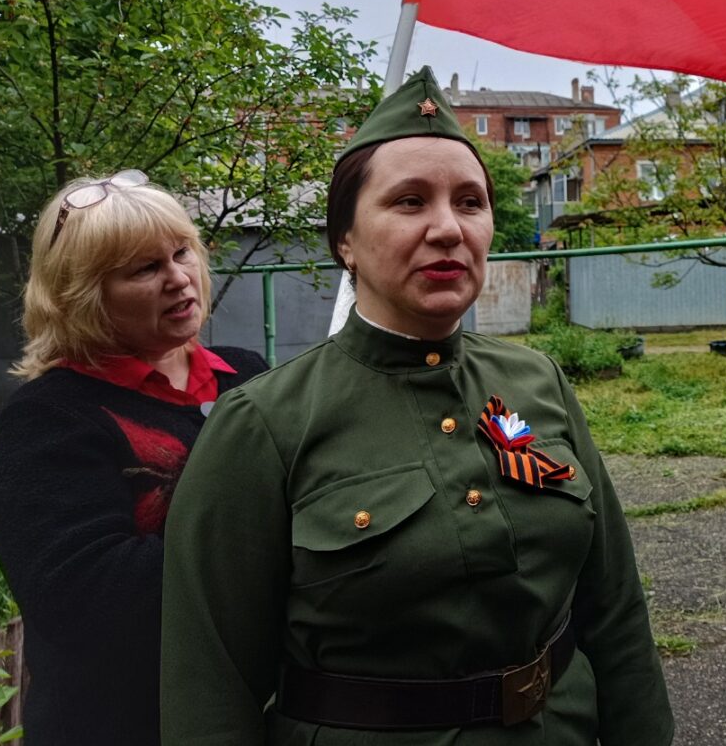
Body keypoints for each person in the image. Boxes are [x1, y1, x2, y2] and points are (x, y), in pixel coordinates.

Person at [161, 68, 673, 745]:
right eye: (408, 202)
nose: (446, 228)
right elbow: (211, 685)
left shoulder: (536, 382)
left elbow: (615, 610)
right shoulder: (265, 424)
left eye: (469, 202)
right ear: (344, 240)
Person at [0, 171, 267, 746]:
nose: (178, 278)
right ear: (82, 294)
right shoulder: (49, 419)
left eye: (181, 252)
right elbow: (89, 601)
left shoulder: (249, 376)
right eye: (145, 268)